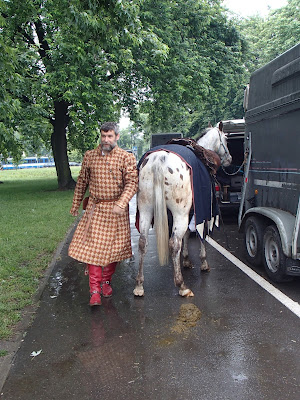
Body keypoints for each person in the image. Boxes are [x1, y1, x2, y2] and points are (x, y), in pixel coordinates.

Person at [68, 122, 138, 306]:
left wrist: (122, 202)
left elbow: (132, 183)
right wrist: (76, 204)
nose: (106, 140)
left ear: (117, 136)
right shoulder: (90, 156)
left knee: (115, 251)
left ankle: (106, 281)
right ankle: (94, 291)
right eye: (103, 136)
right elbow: (82, 181)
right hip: (96, 208)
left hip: (117, 211)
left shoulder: (126, 157)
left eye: (110, 136)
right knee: (93, 251)